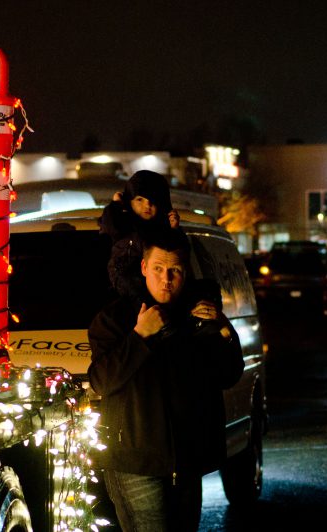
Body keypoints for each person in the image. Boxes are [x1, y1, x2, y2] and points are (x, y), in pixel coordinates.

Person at [88, 228, 244, 532]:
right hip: (136, 463)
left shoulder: (197, 316)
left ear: (186, 271)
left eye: (175, 270)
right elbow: (100, 381)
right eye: (158, 268)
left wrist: (223, 329)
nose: (166, 279)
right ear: (144, 268)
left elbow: (228, 374)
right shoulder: (117, 318)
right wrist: (140, 336)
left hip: (187, 462)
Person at [99, 170, 180, 298]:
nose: (147, 205)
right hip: (119, 294)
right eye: (140, 200)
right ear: (129, 200)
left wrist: (174, 230)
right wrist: (116, 206)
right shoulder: (121, 225)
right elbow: (110, 227)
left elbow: (177, 258)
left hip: (157, 296)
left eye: (153, 200)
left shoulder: (165, 230)